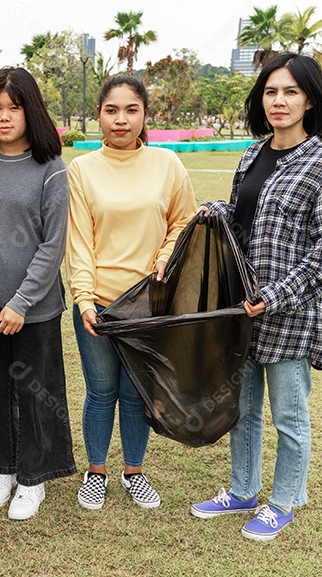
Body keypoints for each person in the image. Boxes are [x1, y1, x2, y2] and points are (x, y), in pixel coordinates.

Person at [190, 53, 322, 541]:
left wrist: (276, 296)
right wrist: (216, 210)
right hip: (242, 310)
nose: (279, 101)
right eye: (271, 91)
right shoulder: (251, 155)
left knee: (289, 416)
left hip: (290, 316)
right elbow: (243, 218)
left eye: (291, 92)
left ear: (310, 101)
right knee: (241, 409)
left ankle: (282, 502)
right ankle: (242, 491)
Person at [0, 66, 76, 521]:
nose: (4, 117)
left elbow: (52, 244)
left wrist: (21, 302)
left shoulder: (50, 169)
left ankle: (33, 478)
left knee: (36, 391)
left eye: (14, 108)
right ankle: (1, 468)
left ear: (32, 112)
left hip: (34, 307)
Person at [65, 76, 197, 512]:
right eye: (111, 110)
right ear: (98, 115)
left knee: (138, 390)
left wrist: (166, 255)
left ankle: (134, 472)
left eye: (131, 110)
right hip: (98, 304)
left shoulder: (167, 164)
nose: (120, 120)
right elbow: (79, 241)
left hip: (149, 303)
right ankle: (96, 472)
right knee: (102, 390)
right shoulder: (82, 169)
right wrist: (85, 299)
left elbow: (184, 221)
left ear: (145, 115)